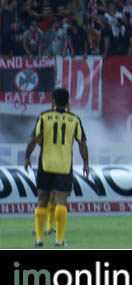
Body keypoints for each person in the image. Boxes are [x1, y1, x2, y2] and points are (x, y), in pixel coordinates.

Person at [23, 88, 90, 247]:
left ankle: (39, 239)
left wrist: (27, 157)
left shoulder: (44, 117)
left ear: (53, 101)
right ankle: (59, 240)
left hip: (46, 164)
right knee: (61, 201)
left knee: (42, 200)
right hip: (64, 166)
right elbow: (82, 143)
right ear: (67, 102)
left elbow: (33, 139)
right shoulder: (74, 119)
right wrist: (86, 163)